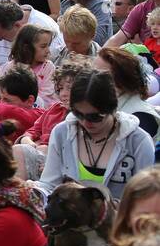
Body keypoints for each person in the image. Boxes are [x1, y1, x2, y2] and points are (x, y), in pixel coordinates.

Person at [35, 71, 155, 202]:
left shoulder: (138, 141)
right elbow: (49, 183)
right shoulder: (62, 132)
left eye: (95, 117)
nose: (86, 122)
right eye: (78, 114)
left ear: (113, 109)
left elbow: (145, 199)